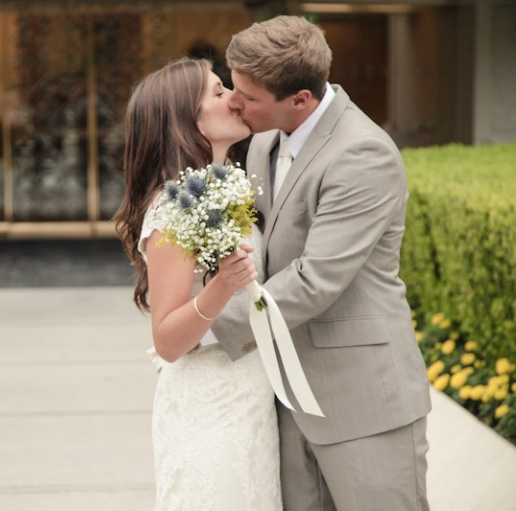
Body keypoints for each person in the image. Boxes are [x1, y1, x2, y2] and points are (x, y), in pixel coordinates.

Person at [222, 15, 432, 511]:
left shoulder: (362, 153)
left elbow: (316, 279)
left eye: (248, 97)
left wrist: (208, 328)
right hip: (285, 398)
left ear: (300, 99)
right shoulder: (262, 142)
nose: (235, 103)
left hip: (363, 401)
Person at [114, 58, 282, 510]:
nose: (234, 98)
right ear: (185, 121)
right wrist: (223, 284)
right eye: (217, 92)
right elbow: (168, 340)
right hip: (210, 409)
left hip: (251, 401)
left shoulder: (227, 186)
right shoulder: (173, 210)